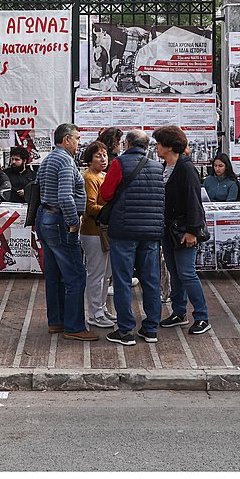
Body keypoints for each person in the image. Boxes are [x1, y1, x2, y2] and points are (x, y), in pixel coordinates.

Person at [34, 123, 97, 341]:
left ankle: (57, 321)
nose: (79, 143)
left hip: (46, 218)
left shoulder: (50, 158)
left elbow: (37, 186)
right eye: (77, 138)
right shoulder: (65, 161)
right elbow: (64, 196)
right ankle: (74, 326)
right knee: (75, 276)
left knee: (54, 274)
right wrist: (73, 221)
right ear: (67, 139)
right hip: (60, 220)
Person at [101, 129, 164, 347]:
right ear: (146, 146)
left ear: (127, 143)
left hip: (124, 231)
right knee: (151, 280)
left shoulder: (119, 164)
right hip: (150, 232)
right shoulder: (158, 167)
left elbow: (106, 194)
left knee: (123, 281)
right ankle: (151, 328)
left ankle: (126, 330)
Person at [154, 125, 210, 334]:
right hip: (168, 230)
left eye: (159, 143)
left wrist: (192, 231)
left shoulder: (185, 168)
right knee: (175, 272)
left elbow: (193, 201)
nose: (157, 147)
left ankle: (202, 316)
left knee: (187, 273)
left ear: (169, 146)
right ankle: (179, 312)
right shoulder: (165, 167)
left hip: (184, 230)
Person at [79, 141, 114, 329]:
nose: (103, 159)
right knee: (96, 273)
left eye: (105, 155)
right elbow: (90, 206)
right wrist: (112, 211)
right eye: (98, 155)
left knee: (106, 273)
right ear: (90, 158)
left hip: (105, 231)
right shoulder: (89, 177)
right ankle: (94, 313)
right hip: (93, 232)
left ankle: (101, 308)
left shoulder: (104, 176)